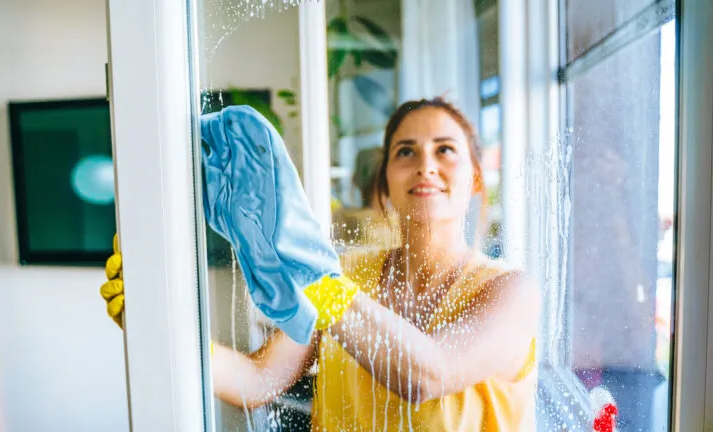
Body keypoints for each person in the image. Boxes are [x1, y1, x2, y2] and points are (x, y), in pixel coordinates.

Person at [102, 97, 541, 431]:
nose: (425, 164)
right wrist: (161, 332)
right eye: (405, 152)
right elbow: (259, 380)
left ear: (476, 178)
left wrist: (308, 270)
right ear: (384, 182)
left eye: (445, 150)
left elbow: (428, 374)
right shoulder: (349, 273)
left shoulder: (510, 292)